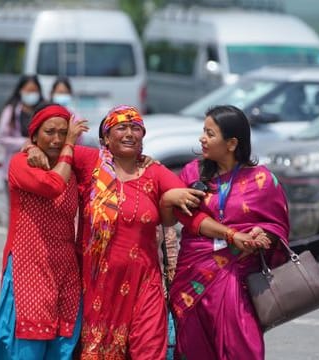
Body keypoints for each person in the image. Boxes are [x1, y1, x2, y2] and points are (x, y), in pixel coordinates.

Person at [25, 105, 270, 359]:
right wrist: (30, 148)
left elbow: (193, 215)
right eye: (121, 128)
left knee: (150, 351)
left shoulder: (155, 173)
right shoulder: (90, 163)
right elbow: (52, 150)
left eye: (136, 128)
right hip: (99, 286)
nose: (129, 133)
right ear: (106, 138)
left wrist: (232, 234)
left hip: (145, 284)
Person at [169, 105, 290, 360]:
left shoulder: (262, 180)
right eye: (203, 131)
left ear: (232, 143)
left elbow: (277, 225)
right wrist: (232, 235)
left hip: (240, 282)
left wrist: (262, 234)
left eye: (210, 134)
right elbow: (187, 216)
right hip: (194, 277)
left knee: (244, 348)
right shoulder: (193, 172)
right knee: (194, 349)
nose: (203, 138)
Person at [0, 104, 89, 359]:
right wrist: (69, 145)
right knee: (26, 346)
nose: (57, 139)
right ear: (34, 135)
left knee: (63, 344)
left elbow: (112, 160)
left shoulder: (75, 165)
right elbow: (53, 185)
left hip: (65, 270)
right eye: (50, 132)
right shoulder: (21, 164)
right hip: (28, 267)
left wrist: (143, 161)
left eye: (63, 132)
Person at [0, 74, 44, 192]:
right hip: (14, 168)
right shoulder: (11, 110)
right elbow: (2, 137)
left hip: (38, 171)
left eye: (34, 90)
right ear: (20, 90)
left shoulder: (43, 109)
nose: (31, 93)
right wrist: (25, 143)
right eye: (28, 90)